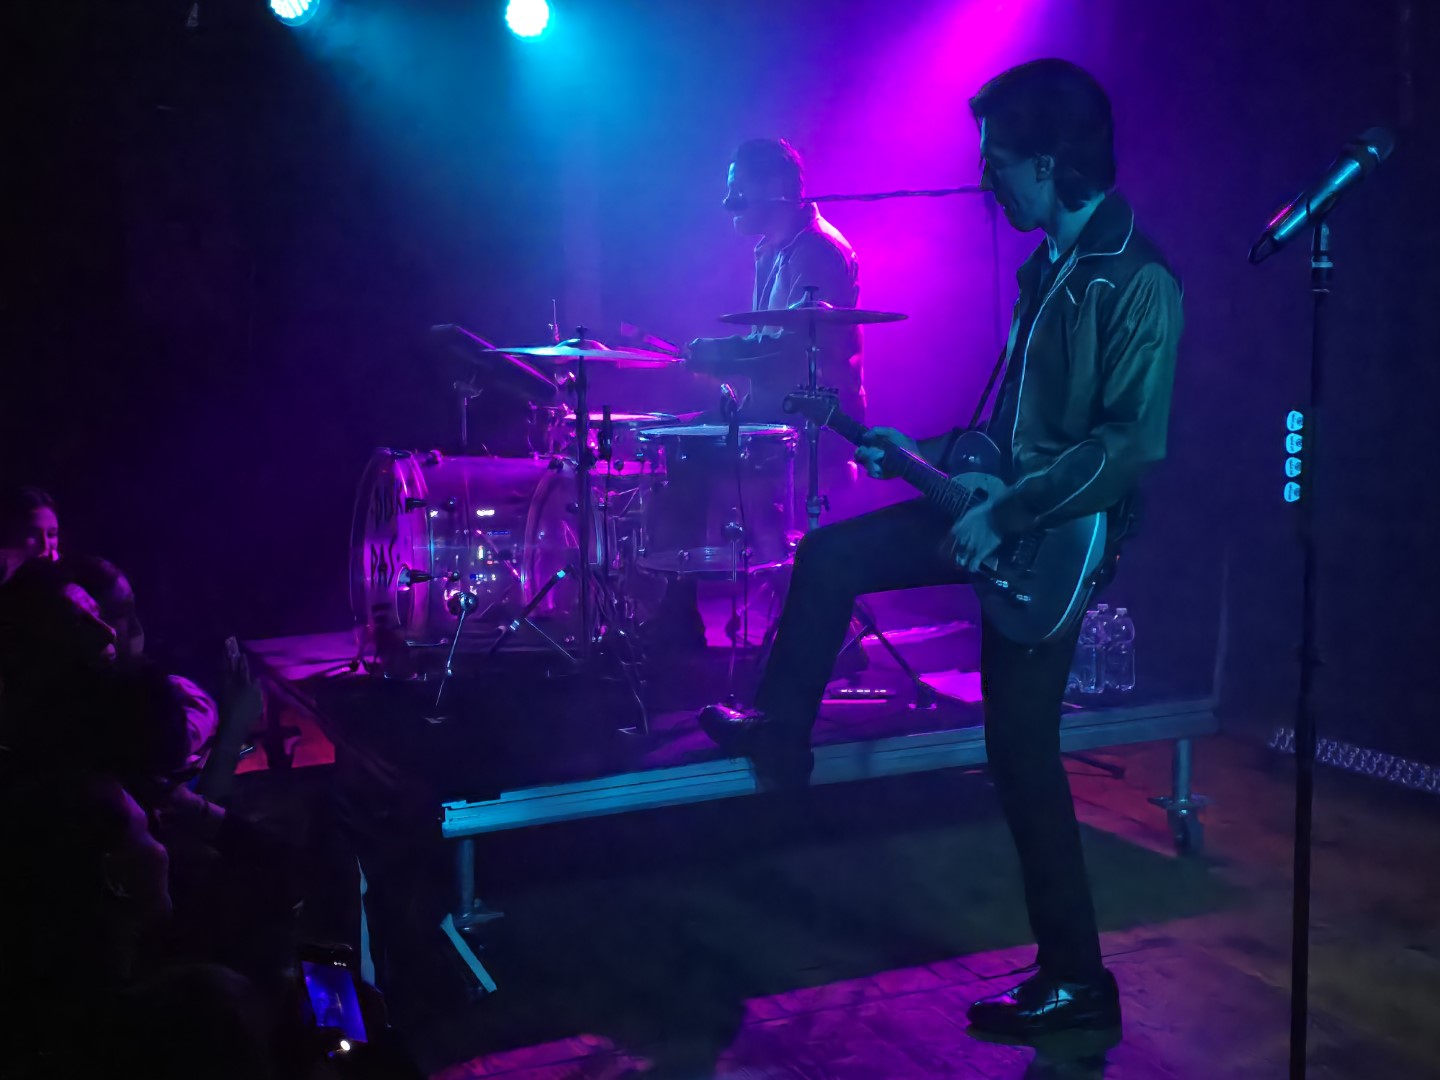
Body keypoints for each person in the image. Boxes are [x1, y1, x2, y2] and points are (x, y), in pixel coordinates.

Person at [698, 59, 1183, 1046]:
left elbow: (1126, 446)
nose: (985, 180)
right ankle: (781, 735)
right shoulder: (1049, 267)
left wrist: (1008, 514)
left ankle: (1077, 981)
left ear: (1047, 163)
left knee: (1021, 756)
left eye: (996, 161)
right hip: (1002, 513)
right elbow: (1012, 435)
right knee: (831, 557)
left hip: (1055, 545)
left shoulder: (1136, 279)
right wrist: (926, 454)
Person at [644, 139, 865, 648]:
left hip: (816, 424)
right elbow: (773, 347)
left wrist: (718, 354)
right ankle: (682, 615)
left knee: (688, 462)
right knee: (677, 442)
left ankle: (685, 622)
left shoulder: (817, 252)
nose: (727, 204)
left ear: (776, 188)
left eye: (736, 190)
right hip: (776, 415)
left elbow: (792, 348)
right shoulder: (776, 248)